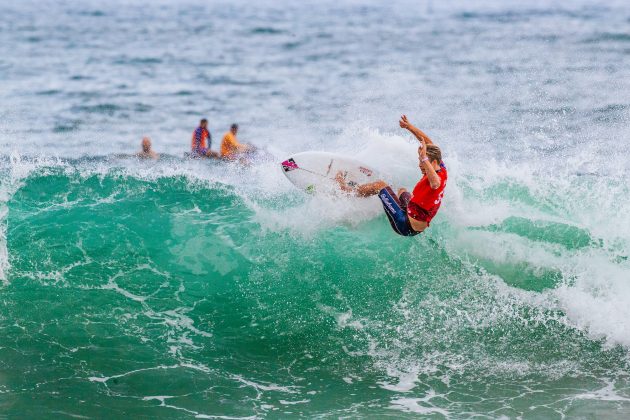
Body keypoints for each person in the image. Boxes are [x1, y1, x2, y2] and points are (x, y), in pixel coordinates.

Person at [336, 115, 447, 236]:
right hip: (413, 219)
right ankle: (383, 196)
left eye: (422, 162)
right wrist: (409, 127)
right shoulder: (440, 167)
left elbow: (435, 184)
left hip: (405, 225)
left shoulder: (435, 180)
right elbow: (428, 143)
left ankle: (346, 191)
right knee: (401, 191)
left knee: (380, 185)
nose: (420, 164)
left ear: (433, 162)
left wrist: (424, 158)